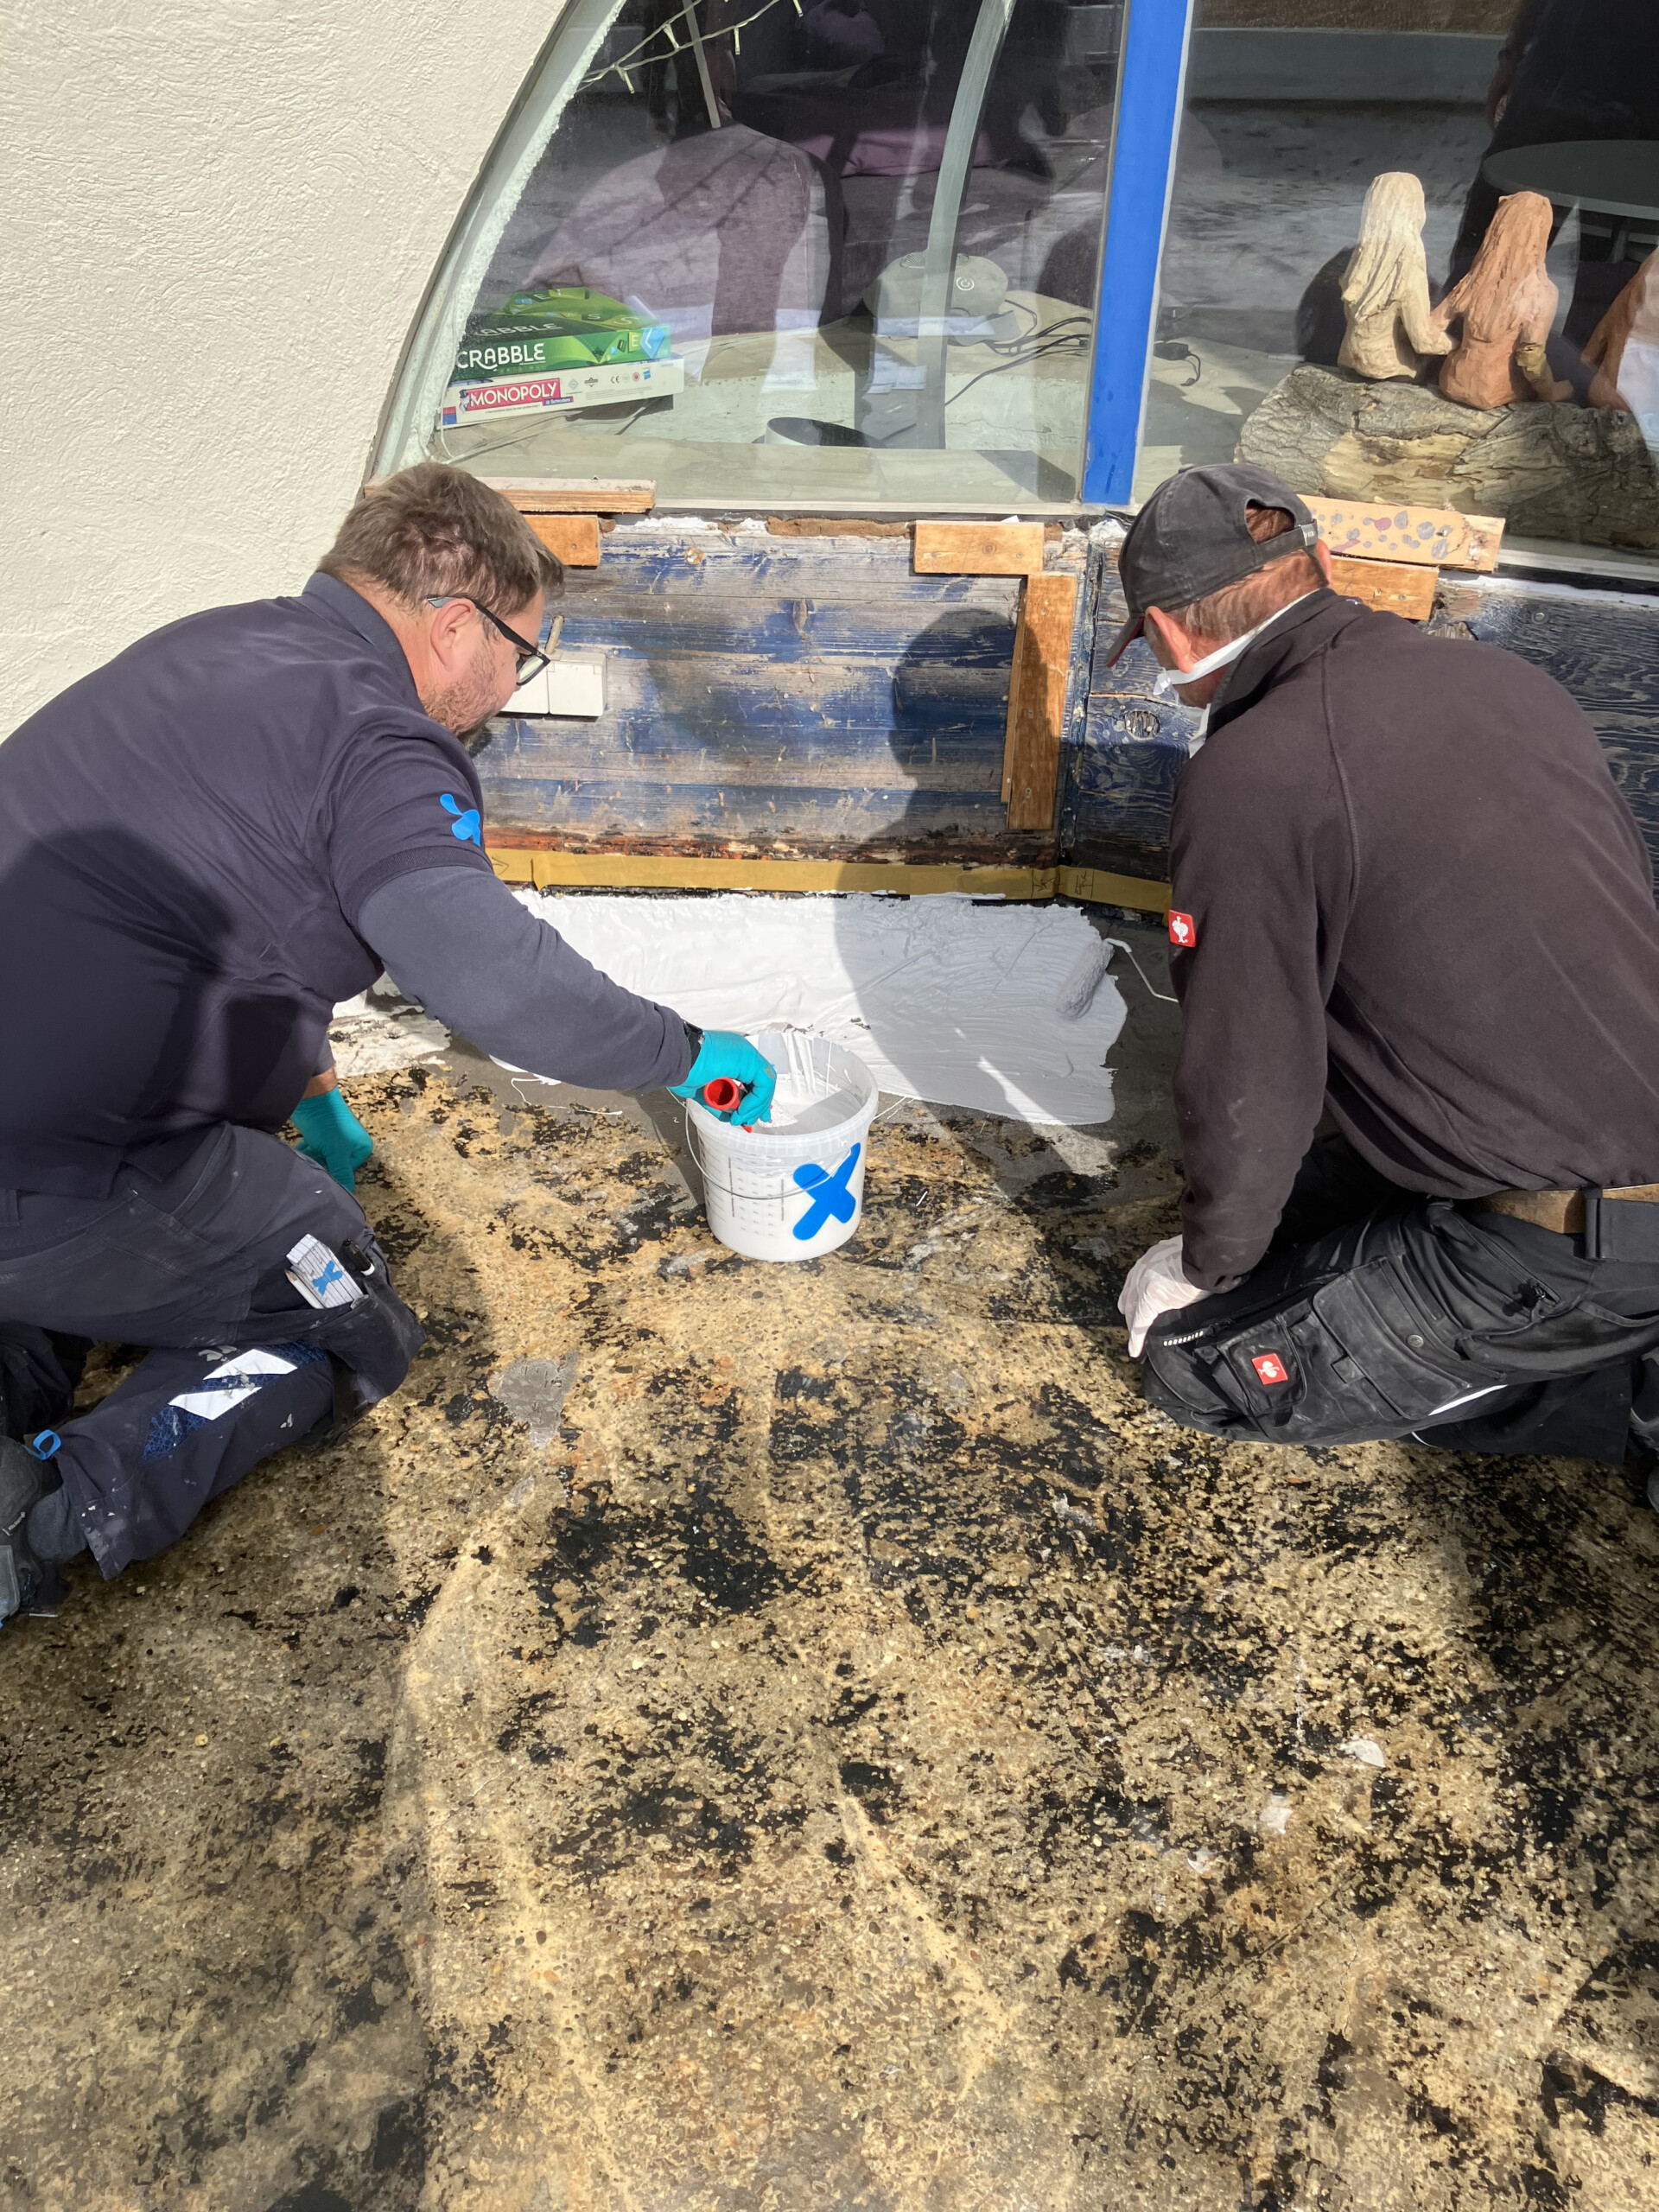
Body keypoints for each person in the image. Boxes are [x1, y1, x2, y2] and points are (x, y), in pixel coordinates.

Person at [0, 464, 775, 1624]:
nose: (511, 690)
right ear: (459, 625)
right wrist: (687, 1052)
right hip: (61, 1167)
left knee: (74, 1256)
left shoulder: (220, 646)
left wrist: (309, 1082)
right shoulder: (379, 739)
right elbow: (499, 982)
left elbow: (238, 903)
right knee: (342, 1309)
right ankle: (45, 1513)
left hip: (32, 1113)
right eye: (524, 655)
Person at [1110, 462, 1659, 1468]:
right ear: (1321, 562)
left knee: (1194, 1362)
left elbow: (1252, 1069)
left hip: (1584, 1243)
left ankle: (1627, 1395)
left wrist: (1206, 1266)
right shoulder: (1511, 683)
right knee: (1293, 1224)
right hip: (1587, 1137)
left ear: (1169, 634)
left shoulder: (1252, 775)